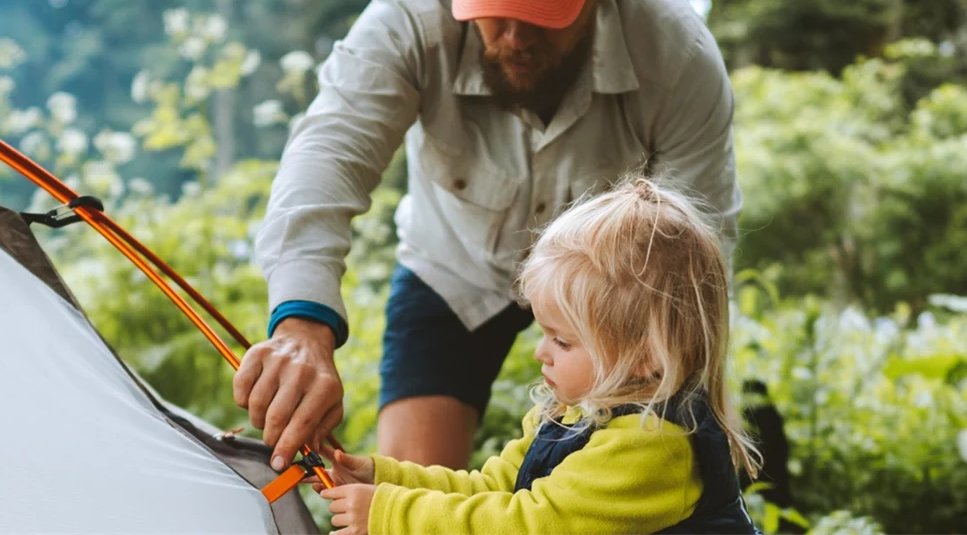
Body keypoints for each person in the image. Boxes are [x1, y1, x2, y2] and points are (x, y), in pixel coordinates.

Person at [237, 0, 742, 471]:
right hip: (453, 270)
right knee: (409, 498)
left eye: (545, 7)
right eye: (495, 2)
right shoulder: (409, 16)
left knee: (641, 478)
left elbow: (694, 261)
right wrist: (302, 328)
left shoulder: (677, 53)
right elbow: (329, 154)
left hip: (615, 296)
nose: (515, 36)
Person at [314, 178, 762, 535]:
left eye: (563, 341)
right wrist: (384, 479)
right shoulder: (573, 415)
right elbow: (494, 490)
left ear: (645, 355)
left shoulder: (651, 447)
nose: (540, 353)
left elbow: (526, 523)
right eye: (544, 333)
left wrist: (392, 514)